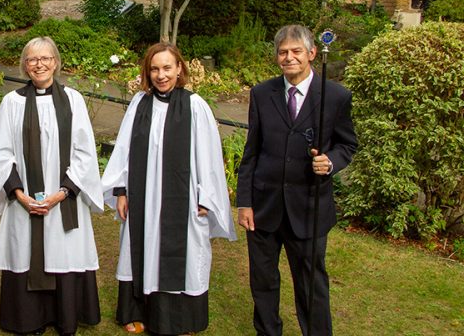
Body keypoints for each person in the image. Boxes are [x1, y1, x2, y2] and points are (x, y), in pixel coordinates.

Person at [101, 42, 236, 335]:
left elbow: (209, 156)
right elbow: (123, 149)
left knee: (184, 255)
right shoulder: (140, 104)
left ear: (179, 69)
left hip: (182, 198)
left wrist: (207, 197)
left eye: (167, 68)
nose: (161, 75)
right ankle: (136, 311)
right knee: (140, 248)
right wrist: (121, 190)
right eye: (154, 69)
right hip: (144, 197)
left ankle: (181, 320)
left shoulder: (194, 106)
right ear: (147, 73)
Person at [236, 24, 357, 336]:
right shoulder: (262, 94)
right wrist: (245, 203)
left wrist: (331, 161)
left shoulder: (336, 96)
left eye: (296, 51)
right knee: (263, 280)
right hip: (264, 206)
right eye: (282, 52)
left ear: (312, 54)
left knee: (310, 283)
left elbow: (347, 144)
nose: (288, 57)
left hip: (308, 208)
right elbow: (251, 152)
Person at [0, 37, 103, 336]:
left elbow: (85, 152)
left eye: (46, 58)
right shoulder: (13, 102)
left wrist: (62, 193)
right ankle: (29, 319)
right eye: (33, 59)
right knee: (26, 251)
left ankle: (65, 319)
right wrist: (19, 194)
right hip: (25, 200)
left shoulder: (73, 100)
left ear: (56, 62)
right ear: (25, 65)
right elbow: (2, 153)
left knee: (63, 252)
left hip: (64, 200)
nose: (39, 64)